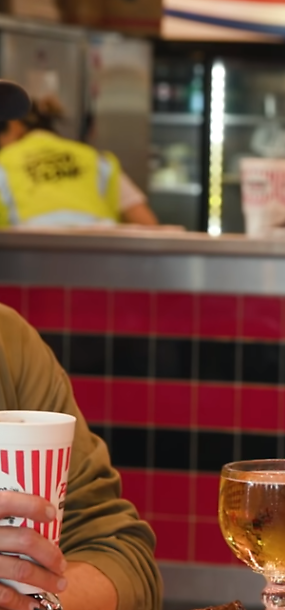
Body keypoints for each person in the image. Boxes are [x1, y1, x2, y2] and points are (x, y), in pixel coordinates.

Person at [0, 82, 161, 610]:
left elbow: (122, 554)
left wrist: (34, 604)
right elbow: (148, 225)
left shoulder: (9, 342)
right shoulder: (95, 163)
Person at [0, 97, 158, 228]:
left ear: (15, 126)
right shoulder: (93, 158)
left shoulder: (4, 162)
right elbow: (148, 225)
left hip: (27, 251)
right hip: (100, 249)